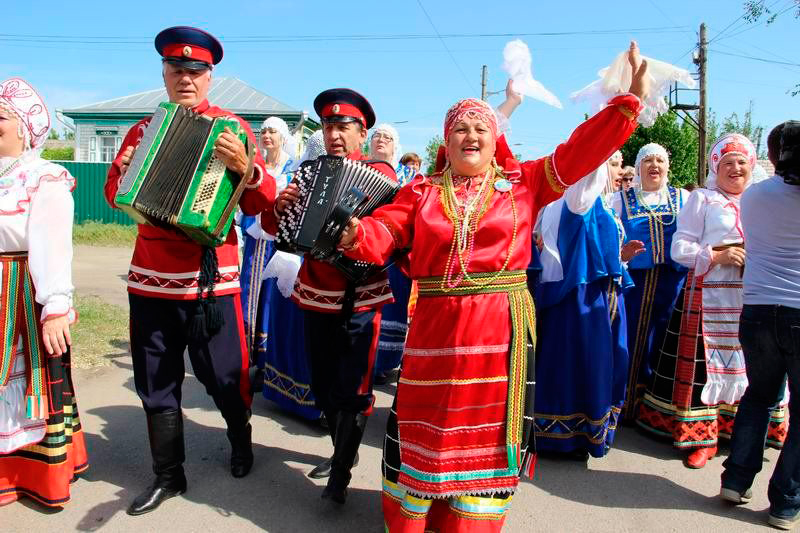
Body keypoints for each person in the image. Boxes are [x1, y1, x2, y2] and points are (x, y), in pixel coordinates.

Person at [338, 41, 649, 531]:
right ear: (446, 138)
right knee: (427, 430)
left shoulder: (525, 183)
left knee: (478, 440)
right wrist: (358, 234)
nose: (471, 136)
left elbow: (578, 151)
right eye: (460, 128)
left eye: (482, 127)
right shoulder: (420, 192)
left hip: (498, 337)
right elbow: (387, 231)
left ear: (495, 136)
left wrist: (626, 104)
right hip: (434, 334)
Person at [103, 26, 274, 516]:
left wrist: (248, 169)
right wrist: (124, 171)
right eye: (177, 69)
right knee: (155, 379)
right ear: (163, 73)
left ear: (210, 76)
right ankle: (168, 475)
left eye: (195, 71)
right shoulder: (141, 130)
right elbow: (115, 197)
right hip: (151, 277)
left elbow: (262, 203)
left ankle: (240, 441)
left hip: (210, 279)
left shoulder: (234, 128)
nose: (186, 77)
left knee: (225, 375)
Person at [263, 88, 397, 503]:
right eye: (328, 126)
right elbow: (277, 231)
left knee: (353, 387)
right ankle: (343, 451)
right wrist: (279, 205)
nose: (335, 134)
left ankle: (341, 469)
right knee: (321, 383)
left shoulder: (384, 177)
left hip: (361, 294)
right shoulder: (308, 172)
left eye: (344, 127)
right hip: (316, 290)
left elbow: (393, 234)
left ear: (362, 132)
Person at [637, 133, 788, 469]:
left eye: (742, 162)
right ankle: (701, 437)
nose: (736, 168)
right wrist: (716, 255)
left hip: (756, 294)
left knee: (753, 364)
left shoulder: (761, 200)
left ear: (752, 167)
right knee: (705, 369)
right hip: (709, 294)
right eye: (728, 163)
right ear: (716, 168)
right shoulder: (703, 199)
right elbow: (680, 248)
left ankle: (743, 434)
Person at [0, 77, 87, 508]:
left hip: (18, 293)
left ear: (23, 128)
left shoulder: (43, 178)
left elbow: (53, 246)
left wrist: (55, 307)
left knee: (27, 378)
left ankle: (31, 473)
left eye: (0, 117)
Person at [533, 158, 644, 460]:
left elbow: (598, 249)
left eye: (621, 164)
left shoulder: (604, 205)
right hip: (578, 299)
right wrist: (608, 129)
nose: (619, 170)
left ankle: (585, 434)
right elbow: (585, 173)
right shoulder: (576, 199)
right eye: (613, 163)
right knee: (573, 366)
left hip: (603, 296)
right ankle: (557, 438)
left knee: (595, 368)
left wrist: (622, 256)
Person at [720, 122, 800, 530]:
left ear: (770, 157)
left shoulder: (754, 196)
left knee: (758, 397)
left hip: (757, 310)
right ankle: (785, 501)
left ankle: (735, 480)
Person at [610, 143, 690, 423]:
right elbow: (611, 238)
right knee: (629, 339)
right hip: (635, 283)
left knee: (667, 340)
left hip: (672, 283)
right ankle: (625, 403)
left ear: (668, 166)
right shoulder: (619, 200)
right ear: (639, 166)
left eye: (660, 160)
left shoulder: (683, 198)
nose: (654, 165)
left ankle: (658, 410)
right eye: (647, 161)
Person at [238, 117, 295, 396]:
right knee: (249, 297)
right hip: (253, 243)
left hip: (277, 244)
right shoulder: (256, 166)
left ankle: (266, 362)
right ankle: (247, 357)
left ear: (283, 136)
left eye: (273, 131)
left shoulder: (292, 168)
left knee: (271, 299)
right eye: (263, 132)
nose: (267, 136)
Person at [367, 124, 414, 386]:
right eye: (377, 136)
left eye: (388, 137)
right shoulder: (362, 168)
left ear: (396, 146)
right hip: (367, 251)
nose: (381, 140)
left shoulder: (407, 176)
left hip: (395, 257)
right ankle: (366, 360)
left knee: (391, 308)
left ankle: (384, 362)